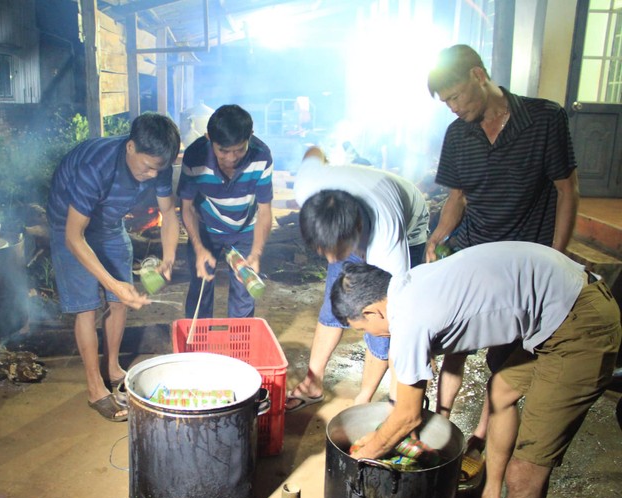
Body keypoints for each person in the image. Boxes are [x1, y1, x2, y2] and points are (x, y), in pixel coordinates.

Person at [331, 242, 620, 498]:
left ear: (371, 312)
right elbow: (406, 372)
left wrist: (360, 457)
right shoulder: (411, 284)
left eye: (361, 328)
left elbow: (408, 415)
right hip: (564, 305)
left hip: (581, 325)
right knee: (501, 390)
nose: (368, 334)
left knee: (526, 474)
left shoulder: (409, 319)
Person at [425, 44, 580, 459]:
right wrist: (437, 238)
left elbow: (567, 191)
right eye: (446, 102)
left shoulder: (545, 118)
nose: (453, 108)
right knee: (454, 341)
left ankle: (481, 435)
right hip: (475, 250)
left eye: (455, 96)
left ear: (478, 75)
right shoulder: (458, 134)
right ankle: (440, 420)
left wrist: (557, 257)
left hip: (523, 260)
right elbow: (457, 197)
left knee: (503, 358)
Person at [47, 112, 181, 422]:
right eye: (147, 167)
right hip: (69, 226)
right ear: (131, 147)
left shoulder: (157, 163)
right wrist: (112, 283)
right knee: (88, 307)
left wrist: (168, 259)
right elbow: (74, 237)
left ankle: (112, 368)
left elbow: (169, 213)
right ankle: (95, 389)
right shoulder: (97, 167)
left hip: (108, 223)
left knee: (120, 302)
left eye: (158, 169)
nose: (151, 174)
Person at [285, 146, 429, 412]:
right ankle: (312, 383)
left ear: (357, 234)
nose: (331, 261)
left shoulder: (388, 243)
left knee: (378, 317)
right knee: (334, 302)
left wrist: (401, 404)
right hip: (345, 221)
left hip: (410, 223)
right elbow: (313, 151)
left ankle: (364, 396)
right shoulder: (307, 189)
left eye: (337, 254)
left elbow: (399, 322)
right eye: (323, 253)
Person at [177, 104, 273, 319]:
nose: (231, 158)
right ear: (208, 137)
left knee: (244, 291)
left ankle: (237, 347)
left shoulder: (261, 156)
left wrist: (256, 254)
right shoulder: (194, 156)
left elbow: (265, 211)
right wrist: (199, 247)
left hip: (245, 230)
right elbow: (187, 207)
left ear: (251, 135)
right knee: (201, 287)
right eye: (223, 151)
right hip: (206, 229)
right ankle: (199, 348)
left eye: (239, 149)